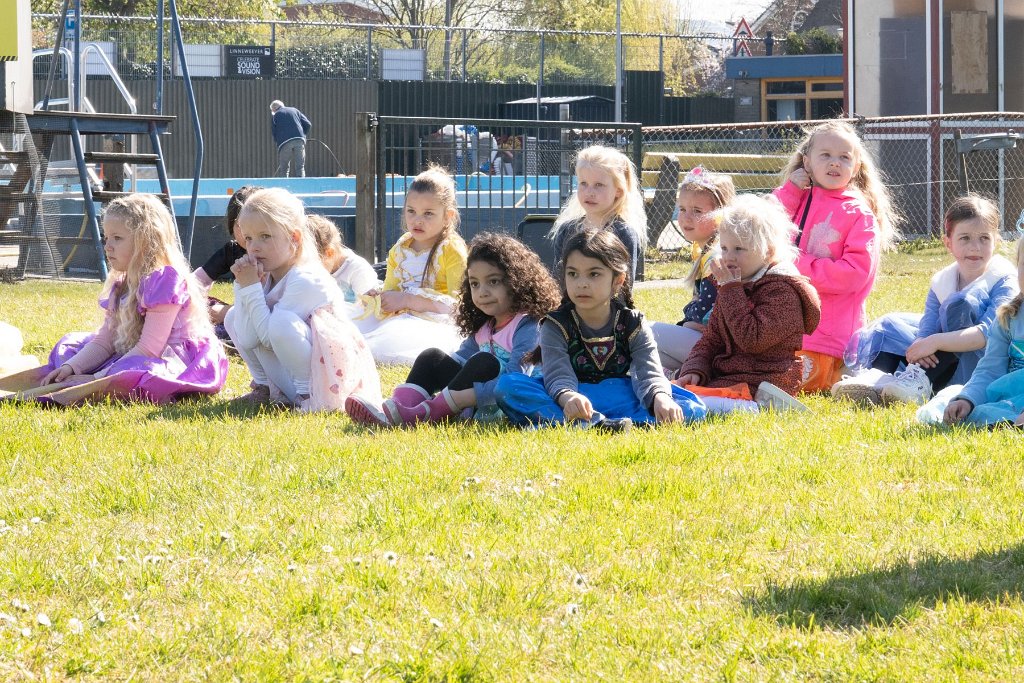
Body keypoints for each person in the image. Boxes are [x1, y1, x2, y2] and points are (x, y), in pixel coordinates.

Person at [494, 228, 706, 431]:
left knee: (691, 406)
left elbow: (647, 370)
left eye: (593, 274)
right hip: (571, 397)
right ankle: (599, 422)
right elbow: (557, 374)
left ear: (618, 280)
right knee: (508, 386)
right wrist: (568, 396)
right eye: (573, 274)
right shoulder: (556, 324)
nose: (581, 284)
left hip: (618, 393)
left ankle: (585, 424)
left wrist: (660, 398)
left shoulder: (633, 323)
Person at [346, 232, 562, 427]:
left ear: (518, 282)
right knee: (432, 357)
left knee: (485, 361)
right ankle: (396, 408)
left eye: (493, 282)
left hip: (499, 404)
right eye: (475, 284)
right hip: (467, 400)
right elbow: (460, 360)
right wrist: (441, 371)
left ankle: (423, 414)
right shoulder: (486, 325)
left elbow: (515, 380)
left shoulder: (527, 324)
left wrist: (464, 396)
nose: (482, 292)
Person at [30, 194, 228, 405]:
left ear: (145, 241)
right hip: (138, 353)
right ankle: (101, 374)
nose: (108, 246)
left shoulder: (165, 280)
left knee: (141, 375)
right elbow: (105, 341)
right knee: (70, 349)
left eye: (117, 238)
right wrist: (71, 368)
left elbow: (150, 349)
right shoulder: (123, 283)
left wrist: (94, 379)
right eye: (106, 238)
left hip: (169, 358)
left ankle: (110, 378)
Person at [834, 194, 1018, 405]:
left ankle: (918, 384)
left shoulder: (1004, 279)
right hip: (947, 357)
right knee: (890, 326)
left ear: (996, 241)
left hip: (985, 362)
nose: (975, 247)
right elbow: (927, 327)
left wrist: (934, 342)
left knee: (961, 304)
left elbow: (987, 334)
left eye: (984, 238)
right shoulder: (943, 281)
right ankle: (879, 381)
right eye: (965, 238)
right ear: (948, 243)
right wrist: (923, 343)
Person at [773, 119, 900, 393]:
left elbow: (852, 274)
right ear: (806, 162)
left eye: (844, 157)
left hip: (827, 339)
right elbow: (766, 229)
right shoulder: (797, 199)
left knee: (785, 384)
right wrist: (790, 191)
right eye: (826, 155)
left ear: (855, 168)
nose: (835, 163)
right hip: (784, 331)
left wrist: (794, 264)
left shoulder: (859, 214)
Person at [224, 188, 380, 411]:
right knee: (232, 317)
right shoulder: (266, 273)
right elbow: (248, 339)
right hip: (290, 373)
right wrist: (243, 287)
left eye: (265, 236)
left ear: (294, 238)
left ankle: (308, 398)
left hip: (328, 382)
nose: (254, 247)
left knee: (280, 323)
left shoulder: (306, 277)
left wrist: (250, 290)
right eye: (248, 238)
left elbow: (270, 336)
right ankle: (264, 387)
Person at [673, 194, 821, 414]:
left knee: (689, 403)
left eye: (739, 249)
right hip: (730, 377)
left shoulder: (782, 291)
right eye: (724, 248)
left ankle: (758, 407)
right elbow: (712, 338)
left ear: (768, 251)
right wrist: (695, 369)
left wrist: (731, 290)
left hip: (766, 381)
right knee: (674, 392)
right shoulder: (734, 284)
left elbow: (752, 340)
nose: (729, 257)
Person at [350, 165, 468, 365]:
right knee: (348, 324)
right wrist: (380, 298)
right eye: (411, 211)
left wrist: (408, 300)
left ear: (448, 216)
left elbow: (459, 306)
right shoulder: (401, 247)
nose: (417, 220)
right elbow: (392, 288)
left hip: (432, 321)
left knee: (384, 343)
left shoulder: (451, 250)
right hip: (400, 315)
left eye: (428, 213)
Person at [650, 166, 736, 373]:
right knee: (647, 356)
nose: (686, 218)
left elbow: (711, 309)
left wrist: (688, 324)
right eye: (682, 209)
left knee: (642, 332)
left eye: (697, 211)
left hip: (713, 347)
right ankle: (683, 376)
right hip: (705, 345)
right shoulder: (704, 249)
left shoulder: (715, 257)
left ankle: (696, 373)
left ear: (720, 215)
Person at [941, 238, 1024, 427]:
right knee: (963, 407)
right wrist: (967, 399)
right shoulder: (1008, 318)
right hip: (1009, 398)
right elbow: (989, 370)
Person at [548, 145, 648, 283]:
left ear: (618, 190)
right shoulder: (566, 230)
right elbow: (558, 281)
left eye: (599, 185)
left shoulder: (624, 233)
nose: (589, 192)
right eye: (583, 183)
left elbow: (624, 288)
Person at [193, 185, 261, 334]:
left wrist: (228, 312)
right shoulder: (231, 251)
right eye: (240, 225)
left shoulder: (272, 255)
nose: (246, 233)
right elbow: (196, 282)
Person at [306, 214, 379, 302]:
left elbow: (368, 308)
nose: (308, 268)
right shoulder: (325, 267)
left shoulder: (357, 270)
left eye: (311, 263)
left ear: (329, 253)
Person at [270, 100, 312, 178]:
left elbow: (274, 132)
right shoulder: (295, 110)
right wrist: (303, 135)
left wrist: (278, 142)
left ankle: (284, 184)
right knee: (300, 166)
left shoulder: (275, 116)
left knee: (284, 167)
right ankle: (301, 183)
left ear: (274, 108)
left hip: (284, 142)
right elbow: (308, 124)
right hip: (299, 140)